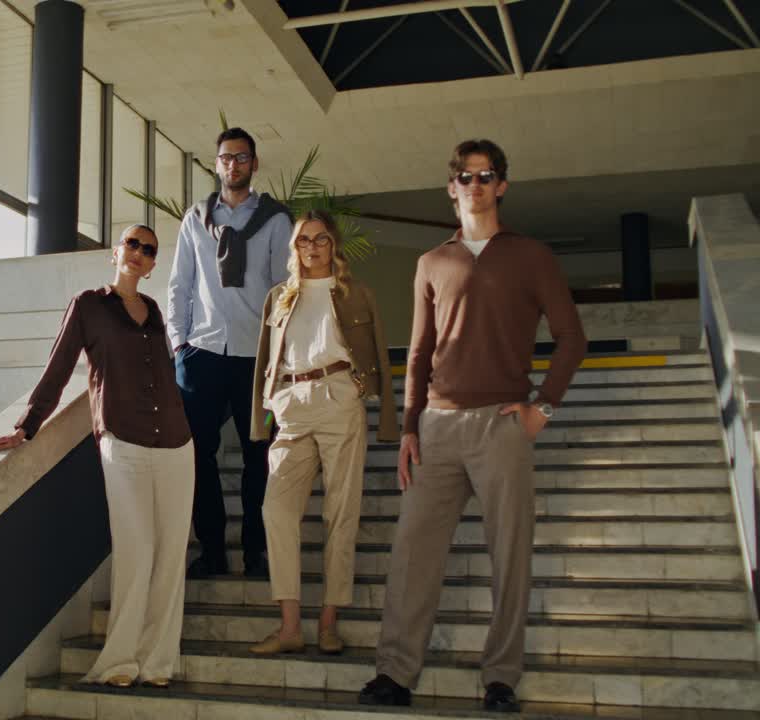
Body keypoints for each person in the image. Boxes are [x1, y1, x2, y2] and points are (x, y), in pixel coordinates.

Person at [359, 140, 585, 712]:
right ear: (452, 187)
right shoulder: (432, 261)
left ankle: (501, 677)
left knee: (510, 553)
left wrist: (543, 408)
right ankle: (395, 674)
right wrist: (409, 427)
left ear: (501, 185)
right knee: (412, 554)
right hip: (437, 427)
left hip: (501, 425)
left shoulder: (531, 256)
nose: (476, 184)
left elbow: (571, 338)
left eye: (487, 176)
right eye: (466, 176)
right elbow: (417, 353)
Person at [0, 225, 193, 690]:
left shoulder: (155, 311)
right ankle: (119, 662)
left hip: (177, 441)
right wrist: (26, 426)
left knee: (171, 554)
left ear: (154, 264)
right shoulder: (89, 305)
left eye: (148, 249)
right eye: (132, 244)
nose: (138, 252)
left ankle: (157, 663)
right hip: (124, 437)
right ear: (115, 252)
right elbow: (59, 365)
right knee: (137, 548)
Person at [244, 209, 399, 656]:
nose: (312, 247)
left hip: (338, 398)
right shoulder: (280, 297)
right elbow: (264, 361)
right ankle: (290, 625)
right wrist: (267, 409)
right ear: (294, 248)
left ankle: (329, 621)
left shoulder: (355, 293)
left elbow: (380, 356)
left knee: (341, 513)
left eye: (320, 239)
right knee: (276, 510)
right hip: (291, 405)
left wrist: (371, 401)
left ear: (333, 245)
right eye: (303, 241)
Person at [167, 127, 293, 579]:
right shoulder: (195, 220)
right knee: (199, 454)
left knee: (260, 454)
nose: (233, 165)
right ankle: (213, 550)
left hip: (256, 357)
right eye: (226, 158)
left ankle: (257, 551)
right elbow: (181, 285)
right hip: (201, 352)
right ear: (216, 163)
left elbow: (284, 291)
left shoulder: (277, 220)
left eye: (241, 158)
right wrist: (178, 343)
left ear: (254, 164)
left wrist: (281, 353)